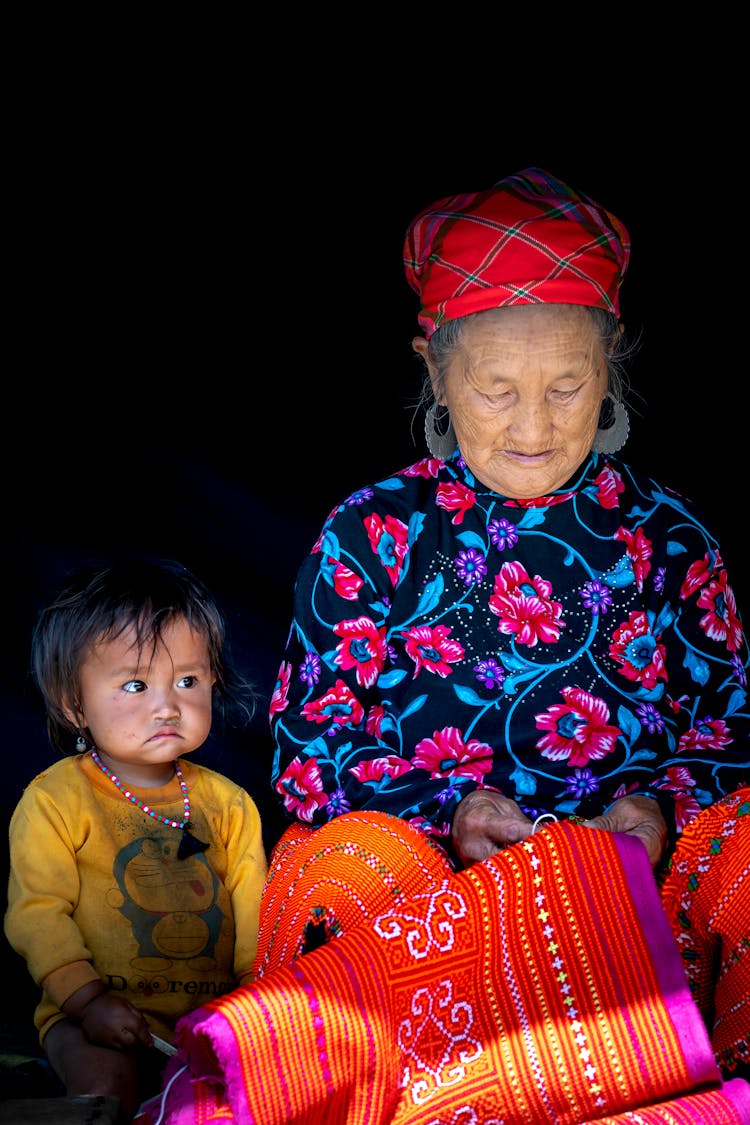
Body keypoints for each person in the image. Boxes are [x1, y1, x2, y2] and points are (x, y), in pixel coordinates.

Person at [140, 170, 750, 1124]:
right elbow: (310, 752)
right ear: (433, 368)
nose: (537, 427)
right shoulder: (373, 533)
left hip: (639, 888)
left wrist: (654, 809)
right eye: (496, 389)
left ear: (613, 363)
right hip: (433, 886)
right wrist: (450, 814)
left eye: (568, 385)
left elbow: (728, 737)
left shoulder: (671, 541)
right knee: (337, 867)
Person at [4, 556, 268, 1123]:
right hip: (91, 1018)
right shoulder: (56, 800)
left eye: (188, 681)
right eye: (134, 684)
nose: (168, 705)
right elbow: (37, 914)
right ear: (74, 703)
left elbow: (256, 919)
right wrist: (88, 1000)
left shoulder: (230, 805)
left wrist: (252, 1009)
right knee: (107, 1087)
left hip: (209, 1020)